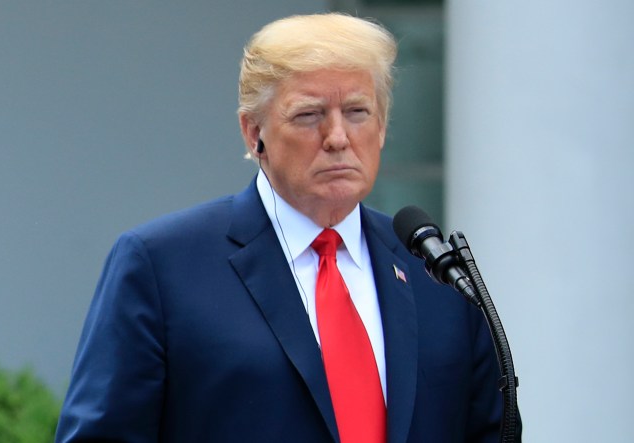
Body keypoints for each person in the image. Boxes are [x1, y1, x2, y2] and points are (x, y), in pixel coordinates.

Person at [55, 13, 511, 443]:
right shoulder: (162, 266)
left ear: (383, 125)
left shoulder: (436, 272)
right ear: (253, 133)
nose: (337, 137)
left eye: (357, 112)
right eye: (309, 115)